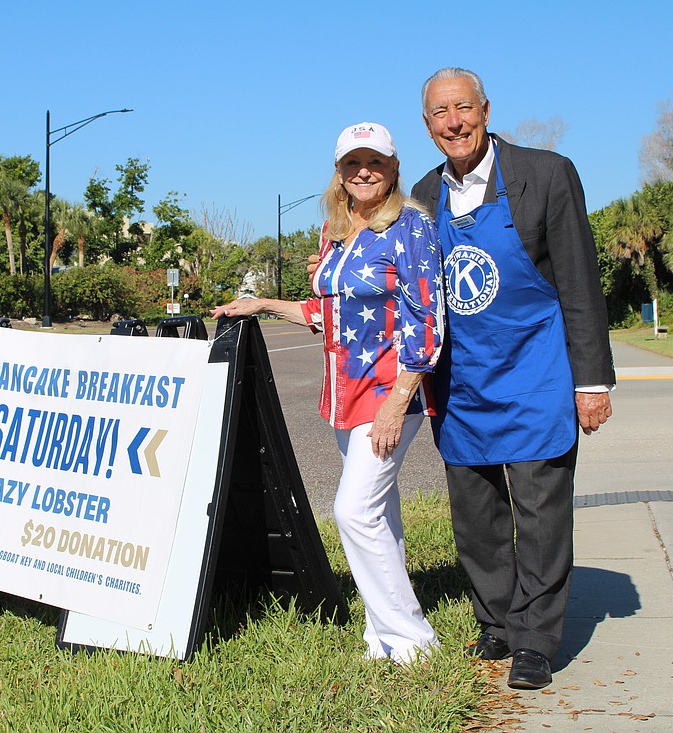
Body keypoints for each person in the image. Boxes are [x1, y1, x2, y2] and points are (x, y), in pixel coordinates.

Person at [409, 68, 615, 690]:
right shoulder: (421, 194)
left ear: (486, 109)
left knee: (542, 515)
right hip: (463, 387)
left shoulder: (546, 175)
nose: (454, 122)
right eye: (440, 114)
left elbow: (579, 282)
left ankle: (534, 640)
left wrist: (593, 381)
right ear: (428, 126)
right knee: (476, 518)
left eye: (463, 108)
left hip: (537, 375)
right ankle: (496, 620)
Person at [213, 122, 444, 665]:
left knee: (353, 511)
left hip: (390, 392)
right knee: (378, 513)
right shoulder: (334, 231)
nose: (363, 172)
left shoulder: (412, 226)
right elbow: (326, 312)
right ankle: (381, 637)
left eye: (375, 162)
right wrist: (264, 304)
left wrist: (398, 401)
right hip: (343, 394)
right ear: (338, 173)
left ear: (393, 167)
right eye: (351, 163)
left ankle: (412, 637)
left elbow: (427, 318)